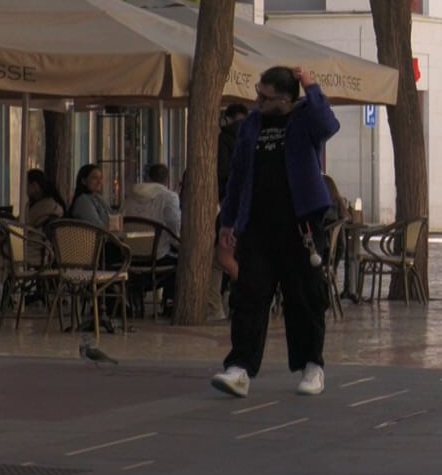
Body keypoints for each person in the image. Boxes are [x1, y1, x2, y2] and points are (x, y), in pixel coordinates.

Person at [212, 66, 340, 400]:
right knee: (249, 297)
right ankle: (239, 367)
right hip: (256, 227)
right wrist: (228, 222)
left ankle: (312, 365)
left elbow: (328, 124)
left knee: (304, 298)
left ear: (284, 100)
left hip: (300, 228)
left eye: (264, 97)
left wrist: (311, 86)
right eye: (257, 93)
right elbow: (238, 175)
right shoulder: (251, 126)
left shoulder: (304, 121)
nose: (257, 101)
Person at [125, 164, 183, 245]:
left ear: (148, 178)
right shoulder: (169, 197)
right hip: (158, 252)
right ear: (167, 180)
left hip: (129, 249)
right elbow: (175, 225)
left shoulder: (131, 195)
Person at [216, 103, 247, 194]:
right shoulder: (251, 136)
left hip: (228, 190)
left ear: (227, 119)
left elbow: (222, 169)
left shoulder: (223, 138)